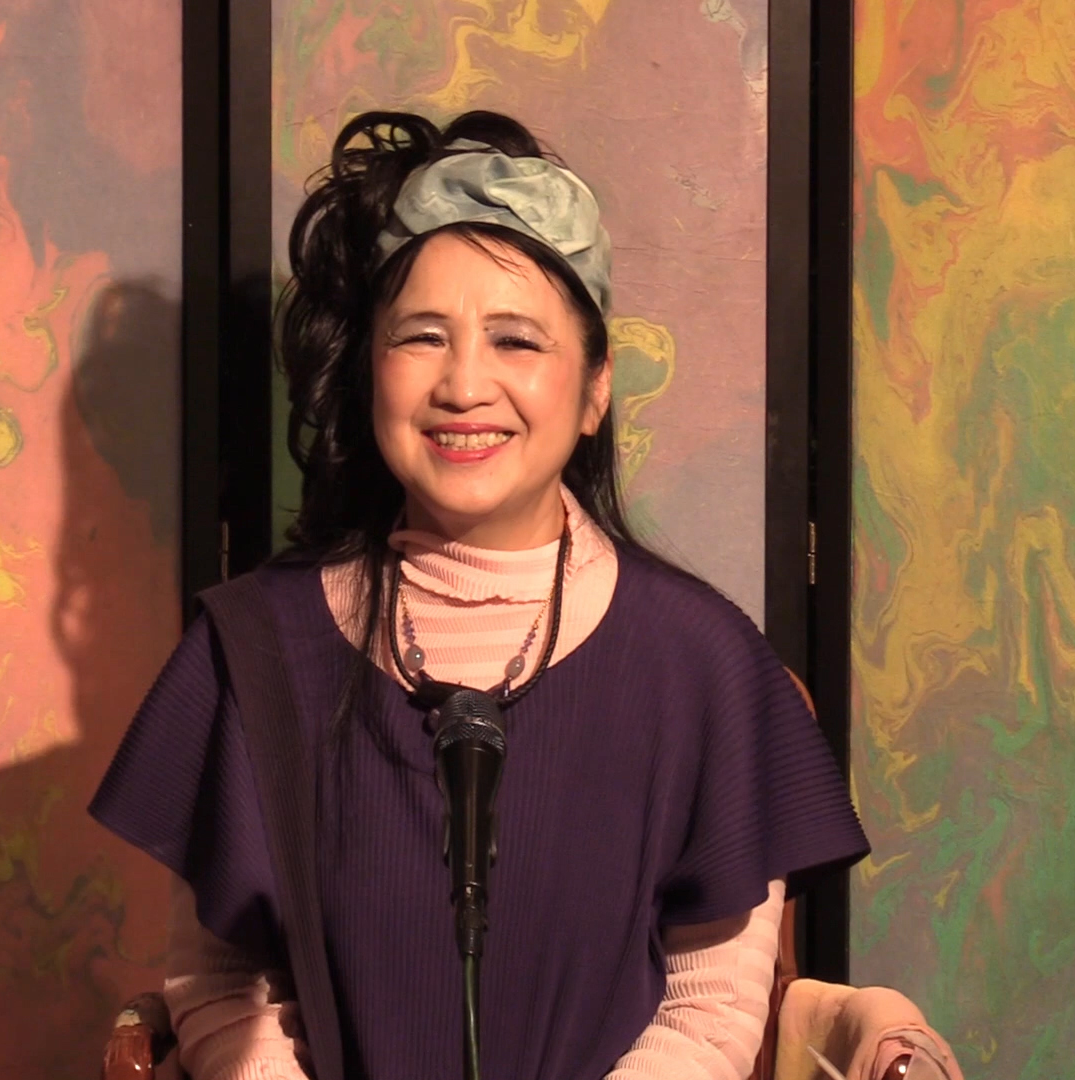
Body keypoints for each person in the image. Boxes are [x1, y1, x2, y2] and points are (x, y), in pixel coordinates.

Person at [90, 110, 928, 1080]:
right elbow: (220, 980)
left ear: (595, 388)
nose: (464, 385)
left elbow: (711, 1007)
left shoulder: (702, 662)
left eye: (517, 342)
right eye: (422, 337)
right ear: (368, 373)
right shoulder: (254, 650)